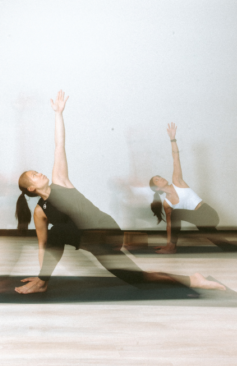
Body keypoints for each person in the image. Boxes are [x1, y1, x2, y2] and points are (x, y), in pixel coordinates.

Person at [14, 91, 225, 294]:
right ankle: (193, 280)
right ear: (31, 189)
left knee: (58, 231)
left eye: (36, 171)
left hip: (106, 231)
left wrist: (58, 114)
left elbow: (59, 145)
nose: (39, 173)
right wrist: (42, 274)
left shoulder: (60, 181)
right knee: (138, 279)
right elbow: (44, 246)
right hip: (91, 241)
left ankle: (42, 283)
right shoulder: (40, 212)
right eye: (33, 175)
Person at [149, 123, 235, 254]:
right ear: (156, 189)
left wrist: (172, 139)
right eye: (157, 180)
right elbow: (169, 226)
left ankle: (172, 248)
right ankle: (170, 247)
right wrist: (167, 243)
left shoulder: (177, 181)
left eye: (159, 176)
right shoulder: (167, 203)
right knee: (226, 246)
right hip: (200, 222)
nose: (160, 178)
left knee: (176, 213)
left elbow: (176, 158)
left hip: (208, 214)